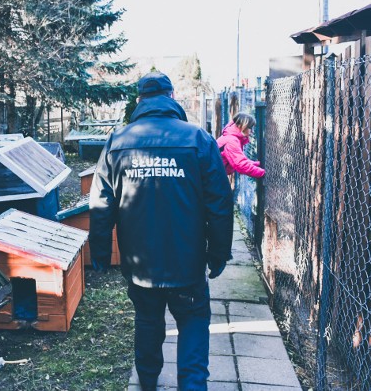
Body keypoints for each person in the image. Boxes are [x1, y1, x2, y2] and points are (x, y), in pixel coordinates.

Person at [89, 71, 234, 390]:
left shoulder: (117, 142)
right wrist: (219, 253)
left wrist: (100, 252)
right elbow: (220, 203)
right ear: (171, 97)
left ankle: (149, 384)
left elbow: (101, 205)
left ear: (140, 101)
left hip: (142, 268)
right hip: (189, 265)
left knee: (148, 322)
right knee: (194, 325)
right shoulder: (198, 140)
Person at [216, 112, 265, 178]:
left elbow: (240, 160)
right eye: (250, 128)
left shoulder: (231, 137)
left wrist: (256, 164)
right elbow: (240, 165)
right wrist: (263, 173)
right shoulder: (231, 141)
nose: (252, 131)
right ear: (243, 126)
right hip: (211, 176)